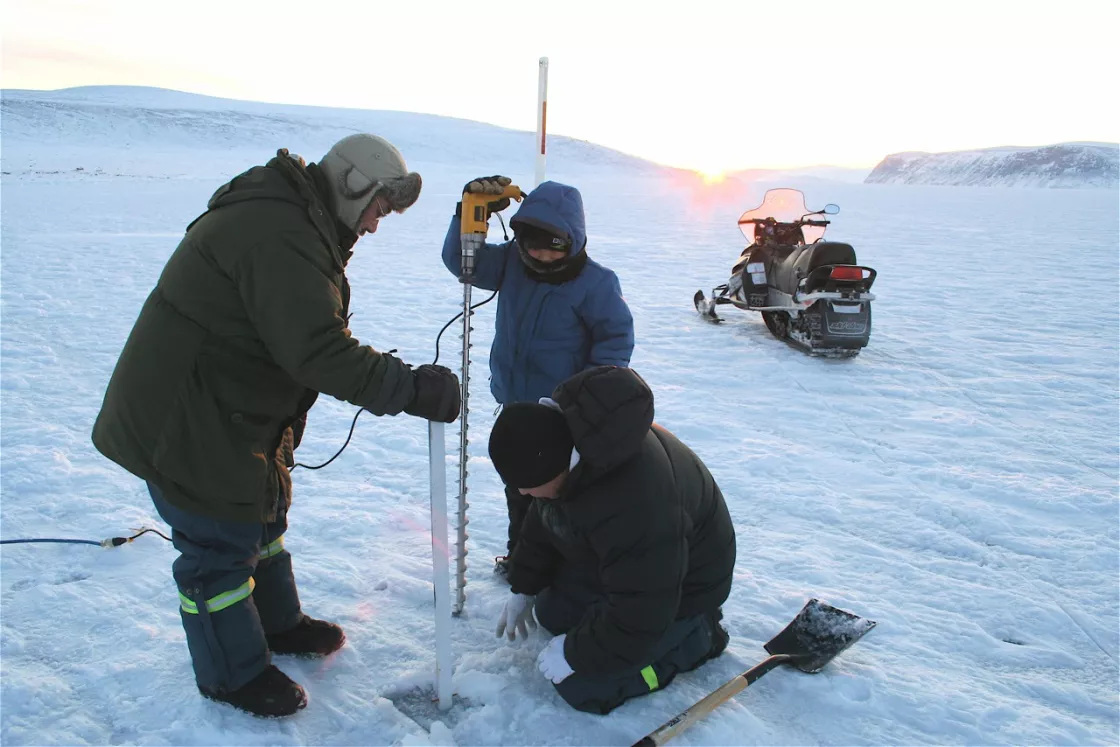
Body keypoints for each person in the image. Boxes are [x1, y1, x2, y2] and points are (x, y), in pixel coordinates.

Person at [91, 134, 461, 718]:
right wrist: (408, 388)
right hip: (188, 417)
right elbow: (316, 349)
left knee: (260, 515)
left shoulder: (296, 218)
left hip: (230, 407)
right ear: (350, 185)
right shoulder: (281, 233)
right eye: (376, 209)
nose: (374, 225)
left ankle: (276, 622)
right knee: (217, 544)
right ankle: (231, 675)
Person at [487, 365, 736, 715]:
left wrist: (575, 654)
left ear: (557, 468)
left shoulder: (636, 501)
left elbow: (642, 608)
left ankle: (698, 637)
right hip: (637, 566)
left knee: (584, 686)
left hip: (683, 592)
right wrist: (524, 586)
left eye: (527, 484)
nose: (522, 491)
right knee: (552, 612)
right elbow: (543, 523)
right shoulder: (572, 454)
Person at [441, 176, 635, 577]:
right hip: (515, 403)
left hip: (563, 412)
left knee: (558, 496)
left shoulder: (596, 283)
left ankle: (563, 565)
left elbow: (614, 340)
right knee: (521, 488)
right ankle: (521, 557)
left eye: (554, 246)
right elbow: (463, 262)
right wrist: (469, 216)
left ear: (574, 240)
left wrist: (591, 398)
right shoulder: (511, 263)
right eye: (533, 244)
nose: (542, 255)